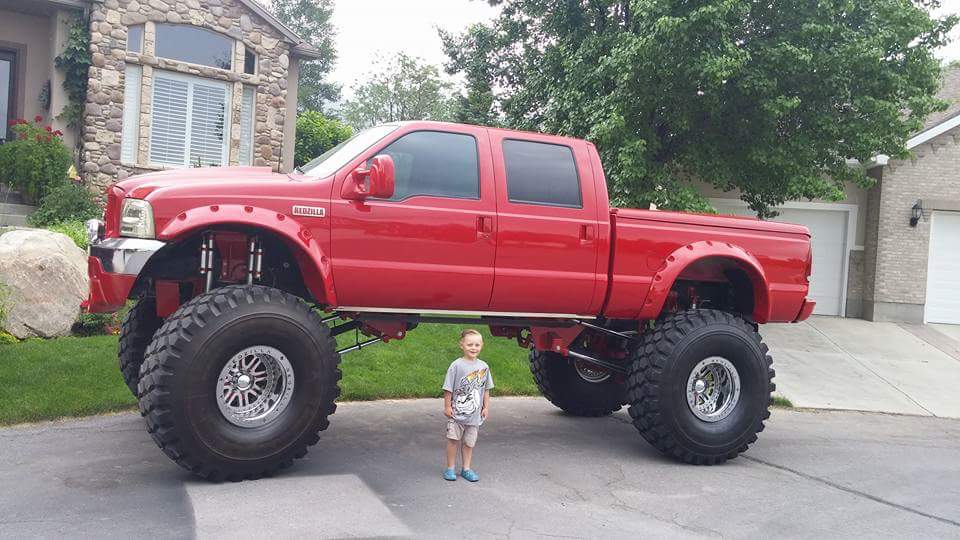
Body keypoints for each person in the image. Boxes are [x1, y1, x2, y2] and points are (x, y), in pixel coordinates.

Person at [442, 329, 494, 482]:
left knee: (469, 443)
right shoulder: (456, 365)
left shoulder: (484, 367)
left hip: (474, 416)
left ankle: (466, 468)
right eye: (470, 344)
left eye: (477, 345)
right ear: (462, 345)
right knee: (453, 440)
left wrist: (486, 407)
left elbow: (486, 389)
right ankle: (450, 468)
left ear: (482, 346)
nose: (473, 348)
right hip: (457, 414)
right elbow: (448, 388)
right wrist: (447, 406)